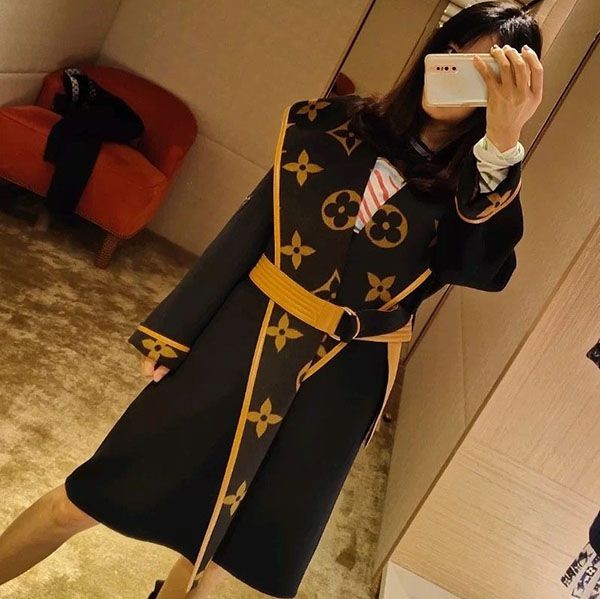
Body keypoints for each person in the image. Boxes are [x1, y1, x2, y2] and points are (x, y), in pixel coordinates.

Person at [0, 2, 543, 598]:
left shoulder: (480, 188)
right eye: (455, 49)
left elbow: (479, 269)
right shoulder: (327, 125)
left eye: (486, 68)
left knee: (228, 560)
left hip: (344, 375)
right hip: (246, 333)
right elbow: (249, 230)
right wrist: (175, 332)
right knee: (90, 495)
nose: (456, 67)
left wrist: (502, 147)